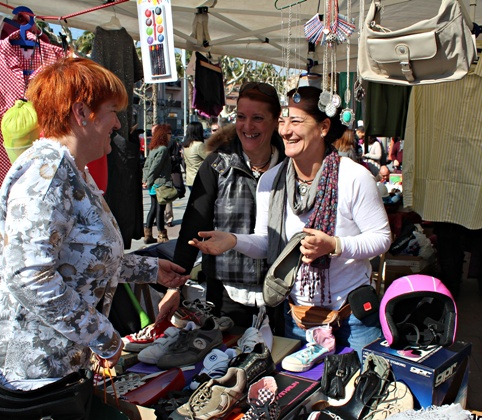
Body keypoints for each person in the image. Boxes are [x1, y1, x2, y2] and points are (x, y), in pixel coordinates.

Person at [0, 58, 188, 390]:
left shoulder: (70, 171)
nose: (117, 122)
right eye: (112, 110)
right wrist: (103, 336)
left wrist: (150, 270)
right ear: (82, 113)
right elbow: (32, 278)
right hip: (26, 372)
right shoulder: (48, 175)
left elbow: (81, 257)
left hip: (51, 364)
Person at [183, 86, 391, 356]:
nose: (285, 130)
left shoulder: (354, 177)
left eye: (296, 121)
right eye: (283, 121)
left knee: (361, 392)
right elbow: (268, 242)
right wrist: (233, 241)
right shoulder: (272, 180)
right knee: (300, 394)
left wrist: (335, 245)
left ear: (324, 127)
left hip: (351, 320)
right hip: (296, 318)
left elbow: (381, 238)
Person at [157, 82, 286, 329]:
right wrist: (176, 286)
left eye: (258, 118)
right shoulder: (218, 165)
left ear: (275, 120)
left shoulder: (290, 166)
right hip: (227, 293)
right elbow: (193, 228)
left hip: (281, 293)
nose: (247, 127)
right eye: (241, 117)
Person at [143, 123, 174, 244]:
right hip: (160, 183)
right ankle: (162, 235)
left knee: (153, 208)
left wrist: (145, 180)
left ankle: (148, 234)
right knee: (160, 210)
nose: (170, 136)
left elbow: (147, 166)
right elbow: (155, 167)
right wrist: (149, 181)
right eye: (169, 133)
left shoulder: (153, 148)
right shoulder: (163, 149)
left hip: (153, 183)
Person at [182, 121, 207, 190]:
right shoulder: (198, 145)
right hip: (200, 179)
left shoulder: (186, 145)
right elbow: (209, 159)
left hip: (190, 179)